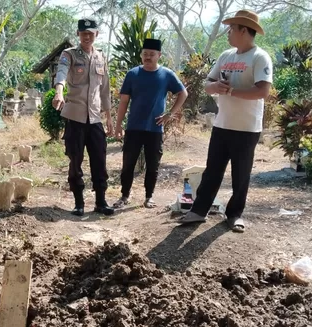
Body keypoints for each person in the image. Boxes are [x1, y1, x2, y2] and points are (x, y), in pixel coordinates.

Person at [179, 10, 272, 233]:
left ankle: (235, 215)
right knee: (212, 171)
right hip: (222, 125)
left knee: (241, 174)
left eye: (231, 29)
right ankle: (199, 211)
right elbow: (207, 83)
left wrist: (230, 91)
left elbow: (262, 91)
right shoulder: (226, 56)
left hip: (247, 128)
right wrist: (215, 87)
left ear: (243, 30)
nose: (228, 33)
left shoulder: (259, 57)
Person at [113, 38, 188, 209]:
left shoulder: (167, 75)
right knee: (128, 164)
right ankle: (124, 196)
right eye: (145, 54)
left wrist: (170, 113)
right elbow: (124, 101)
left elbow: (183, 93)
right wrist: (118, 125)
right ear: (141, 55)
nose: (148, 57)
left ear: (159, 55)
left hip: (155, 128)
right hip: (133, 127)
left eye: (151, 54)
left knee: (153, 165)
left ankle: (149, 197)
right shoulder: (132, 74)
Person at [52, 18, 115, 216]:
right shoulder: (69, 55)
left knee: (99, 160)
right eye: (83, 33)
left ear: (96, 34)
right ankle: (79, 203)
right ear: (78, 35)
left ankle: (101, 202)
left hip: (95, 118)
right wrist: (59, 92)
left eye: (90, 33)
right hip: (76, 118)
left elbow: (105, 90)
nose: (87, 36)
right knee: (75, 160)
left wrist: (109, 118)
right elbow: (61, 73)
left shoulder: (100, 57)